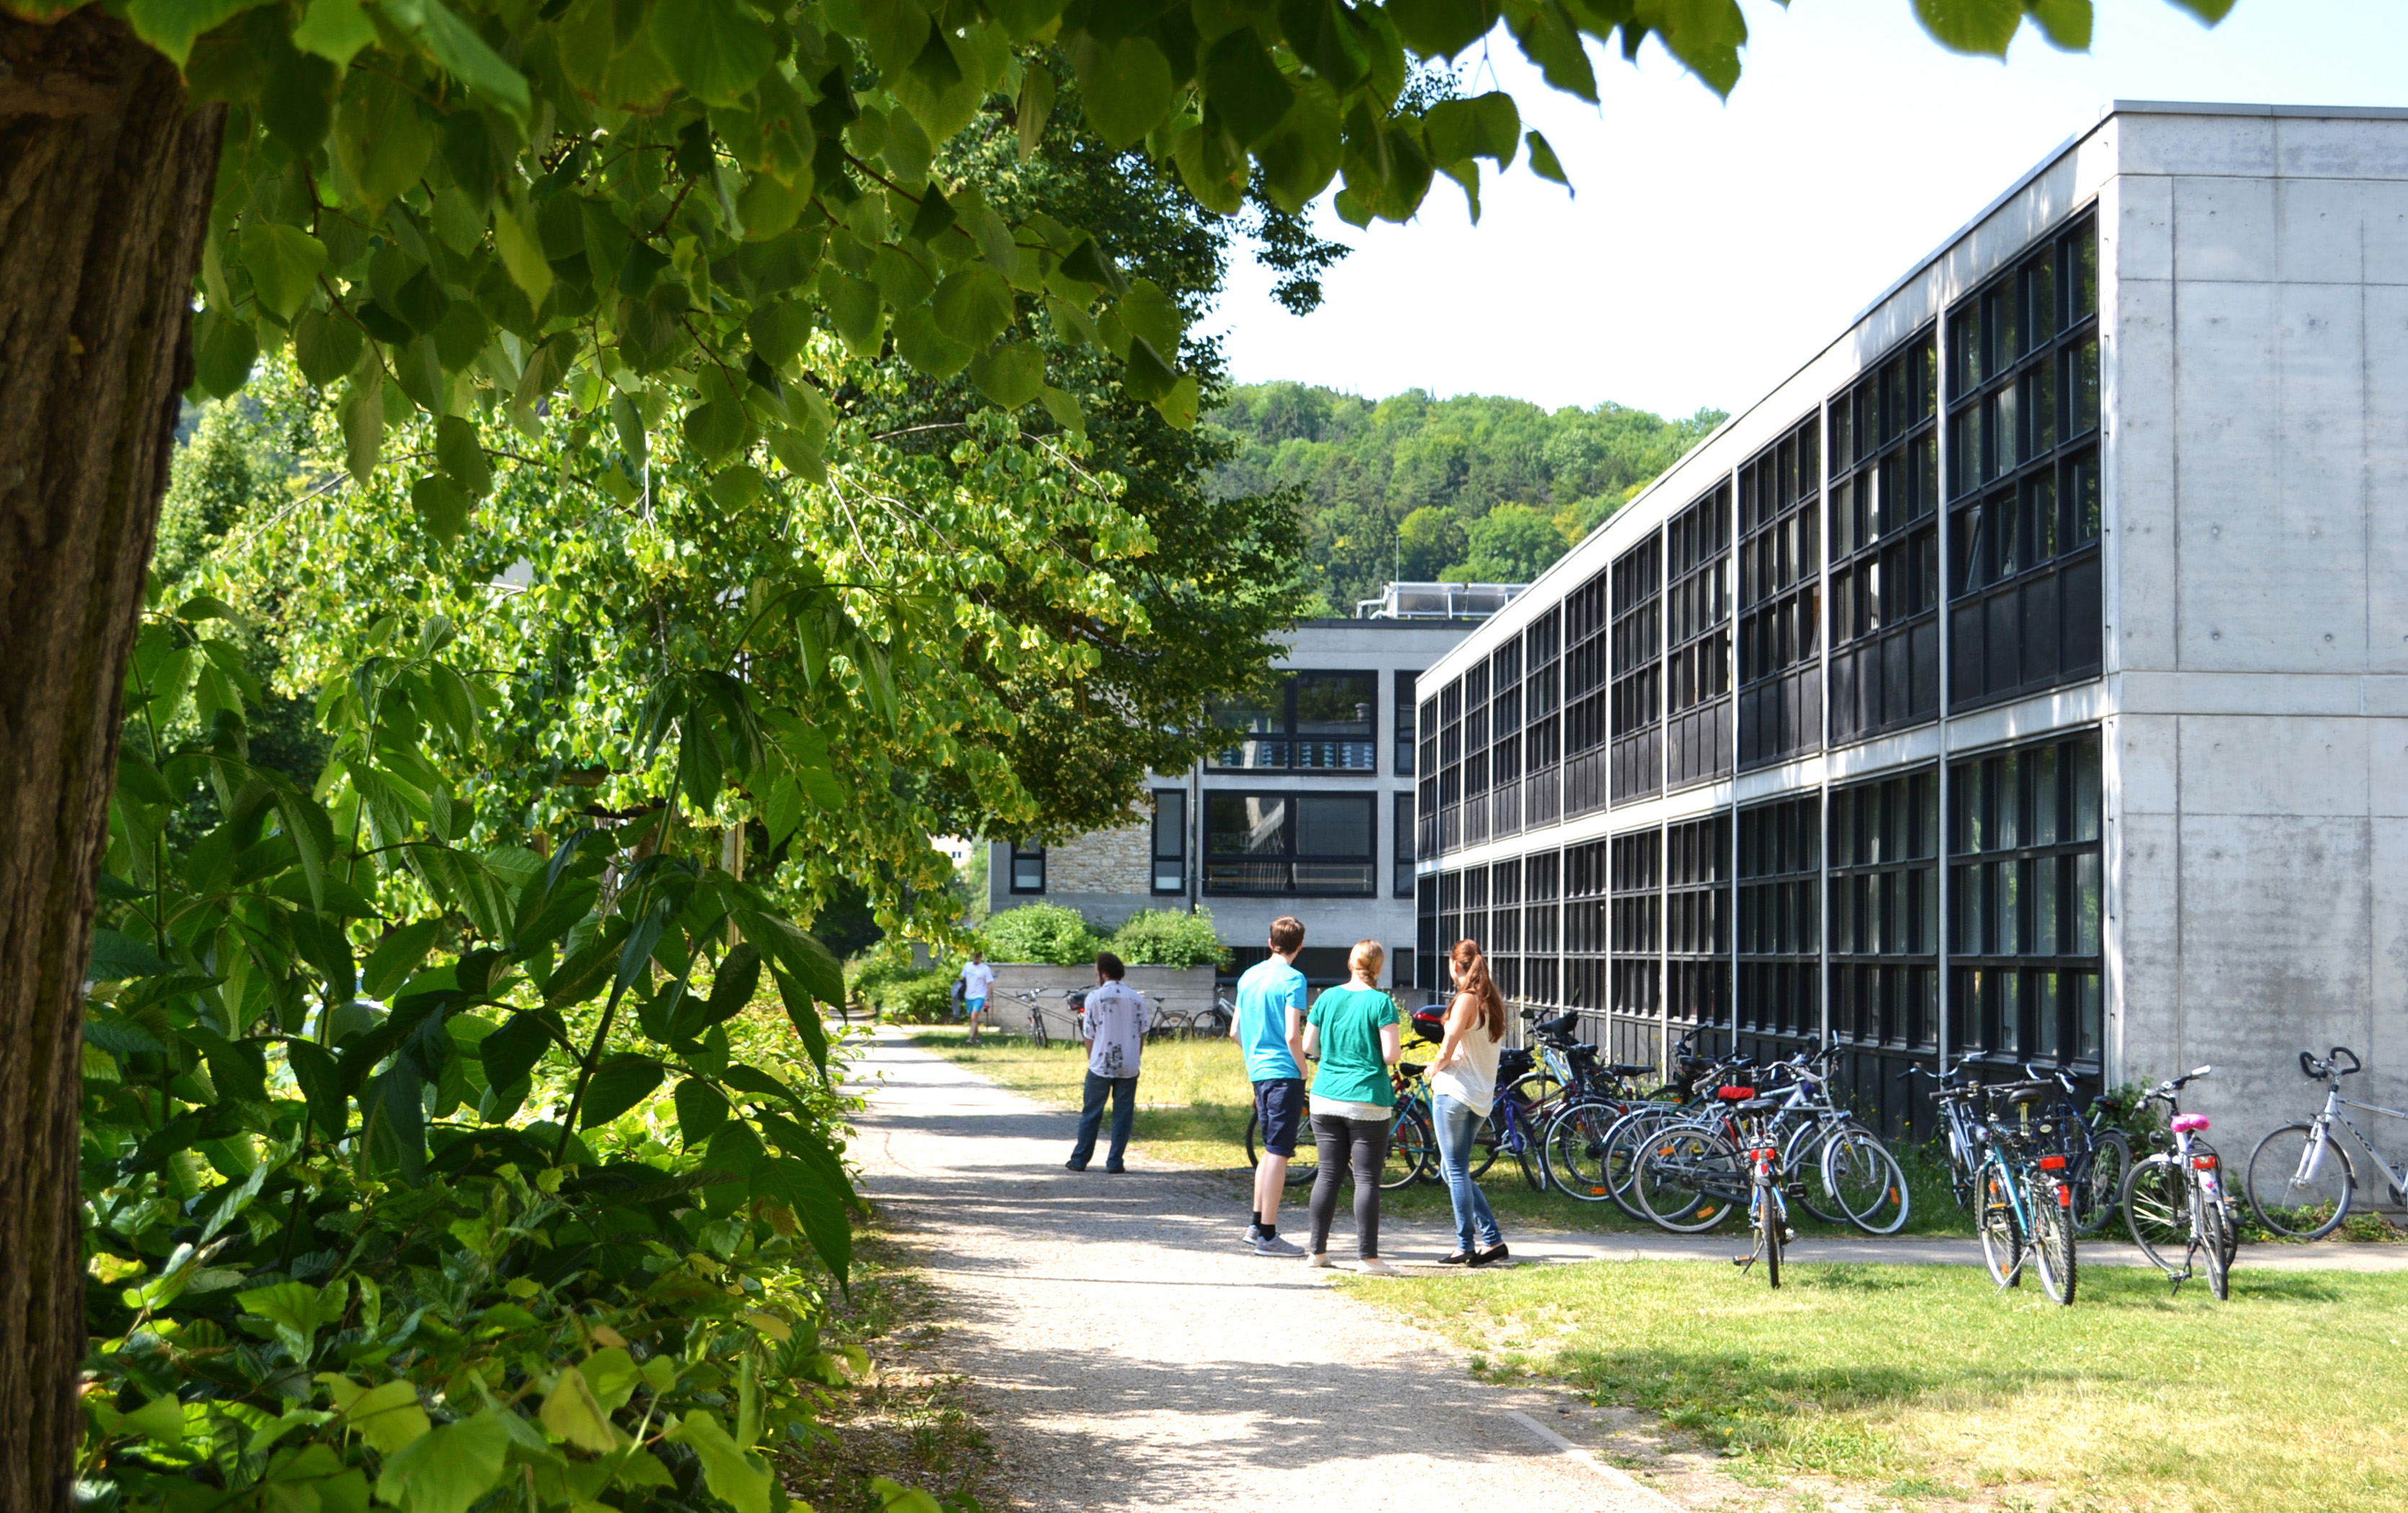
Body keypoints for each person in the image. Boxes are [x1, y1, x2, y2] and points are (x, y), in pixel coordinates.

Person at [1301, 940, 1404, 1274]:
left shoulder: (1327, 998)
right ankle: (1368, 1258)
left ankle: (1317, 1252)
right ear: (1379, 968)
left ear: (1350, 963)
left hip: (1326, 1096)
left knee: (1328, 1174)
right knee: (1366, 1180)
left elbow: (1308, 1045)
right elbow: (1391, 1055)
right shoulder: (1381, 1002)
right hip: (1367, 1099)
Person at [1231, 916, 1310, 1257]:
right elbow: (1293, 1035)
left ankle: (1255, 1225)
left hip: (1259, 1072)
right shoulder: (1294, 978)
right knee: (1279, 1151)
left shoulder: (1249, 976)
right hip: (1284, 1073)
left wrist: (1254, 1055)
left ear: (1270, 942)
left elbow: (1235, 1030)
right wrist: (1303, 1069)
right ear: (1300, 946)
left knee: (1270, 1148)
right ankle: (1268, 1235)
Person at [1429, 939, 1511, 1267]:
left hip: (1454, 1093)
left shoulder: (1466, 999)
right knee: (1454, 1170)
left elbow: (1448, 1047)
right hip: (1479, 1098)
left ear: (1454, 966)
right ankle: (1492, 1240)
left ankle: (1465, 1244)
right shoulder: (1492, 1001)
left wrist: (1432, 1068)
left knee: (1455, 1170)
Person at [1066, 951, 1149, 1173]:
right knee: (1123, 1114)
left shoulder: (1094, 998)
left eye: (1097, 973)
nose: (1096, 977)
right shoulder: (1137, 998)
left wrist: (1091, 1059)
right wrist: (1136, 1058)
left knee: (1092, 1113)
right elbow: (1142, 1032)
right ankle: (1115, 1161)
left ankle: (1080, 1159)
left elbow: (1089, 1034)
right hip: (1129, 1063)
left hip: (1101, 1062)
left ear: (1103, 973)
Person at [958, 949, 995, 1043]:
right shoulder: (967, 966)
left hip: (979, 995)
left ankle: (970, 1039)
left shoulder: (985, 969)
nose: (976, 958)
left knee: (974, 1016)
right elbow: (963, 979)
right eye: (975, 956)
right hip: (968, 995)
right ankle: (978, 1039)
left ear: (981, 957)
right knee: (972, 1018)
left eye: (978, 956)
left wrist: (988, 999)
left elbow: (989, 984)